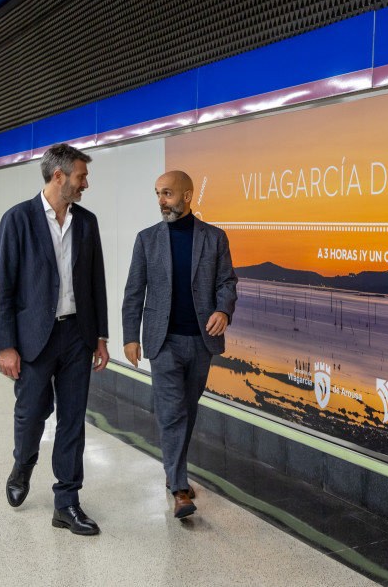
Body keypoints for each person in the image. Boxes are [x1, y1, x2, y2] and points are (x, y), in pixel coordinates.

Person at [0, 143, 109, 536]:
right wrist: (5, 344)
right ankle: (23, 464)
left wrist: (100, 337)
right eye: (81, 176)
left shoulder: (87, 222)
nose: (85, 184)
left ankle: (67, 502)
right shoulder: (18, 220)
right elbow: (2, 287)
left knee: (73, 420)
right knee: (31, 415)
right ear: (58, 176)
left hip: (77, 334)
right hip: (33, 338)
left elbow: (96, 283)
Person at [122, 170, 237, 518]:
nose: (161, 202)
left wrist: (223, 310)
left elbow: (227, 282)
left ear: (187, 196)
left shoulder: (215, 238)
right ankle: (179, 489)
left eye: (168, 194)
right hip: (164, 342)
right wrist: (130, 336)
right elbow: (133, 292)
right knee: (172, 413)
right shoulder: (147, 240)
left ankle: (174, 471)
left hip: (202, 342)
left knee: (186, 411)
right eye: (158, 194)